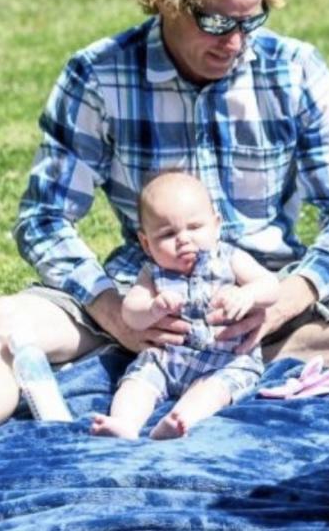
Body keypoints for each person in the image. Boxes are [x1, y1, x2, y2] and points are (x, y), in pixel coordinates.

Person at [0, 0, 329, 425]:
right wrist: (113, 312)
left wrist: (281, 302)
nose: (236, 42)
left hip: (268, 297)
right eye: (218, 23)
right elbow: (44, 219)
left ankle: (248, 355)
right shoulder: (99, 75)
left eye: (252, 19)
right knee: (4, 324)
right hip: (146, 302)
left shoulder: (295, 70)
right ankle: (179, 360)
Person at [91, 172, 278, 439]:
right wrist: (152, 308)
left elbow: (270, 286)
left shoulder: (230, 258)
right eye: (168, 233)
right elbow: (131, 313)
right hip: (166, 359)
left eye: (194, 227)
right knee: (138, 381)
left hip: (225, 358)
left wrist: (247, 295)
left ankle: (180, 421)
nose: (183, 239)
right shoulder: (152, 272)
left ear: (216, 225)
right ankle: (123, 423)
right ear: (146, 243)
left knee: (215, 390)